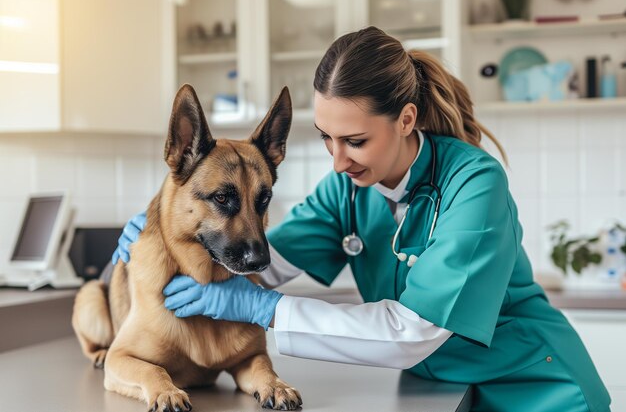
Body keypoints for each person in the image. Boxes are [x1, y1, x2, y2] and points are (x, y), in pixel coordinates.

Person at [112, 27, 610, 412]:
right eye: (327, 137)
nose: (338, 161)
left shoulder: (474, 182)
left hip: (535, 388)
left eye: (355, 141)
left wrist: (265, 309)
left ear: (406, 120)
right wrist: (163, 237)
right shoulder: (349, 188)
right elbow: (266, 262)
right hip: (439, 393)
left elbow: (414, 330)